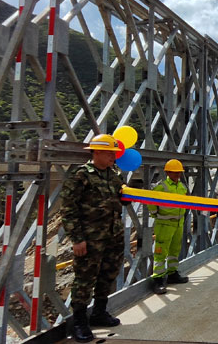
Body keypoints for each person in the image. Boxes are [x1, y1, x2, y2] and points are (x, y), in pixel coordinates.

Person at [60, 134, 125, 342]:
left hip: (113, 236)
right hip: (90, 238)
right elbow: (68, 209)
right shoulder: (81, 175)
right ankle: (79, 322)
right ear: (96, 152)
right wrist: (77, 238)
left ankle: (99, 312)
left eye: (113, 154)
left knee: (108, 275)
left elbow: (118, 200)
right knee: (85, 279)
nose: (113, 158)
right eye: (109, 154)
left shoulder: (114, 175)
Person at [148, 159, 190, 295]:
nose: (177, 175)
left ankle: (172, 274)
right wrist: (156, 214)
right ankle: (158, 279)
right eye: (175, 172)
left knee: (175, 250)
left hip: (178, 223)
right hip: (165, 224)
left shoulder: (182, 187)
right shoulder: (162, 186)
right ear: (167, 172)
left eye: (179, 172)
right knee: (161, 252)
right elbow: (151, 201)